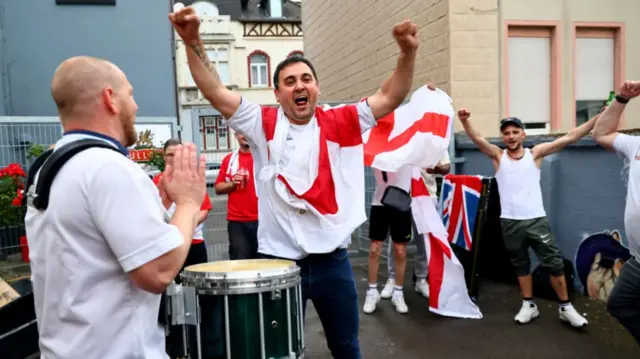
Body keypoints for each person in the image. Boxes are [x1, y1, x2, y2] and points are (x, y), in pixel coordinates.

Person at [170, 5, 418, 358]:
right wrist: (193, 41)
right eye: (289, 82)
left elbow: (392, 96)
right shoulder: (262, 123)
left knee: (347, 347)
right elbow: (215, 91)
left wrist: (408, 52)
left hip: (333, 261)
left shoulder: (342, 119)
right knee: (277, 352)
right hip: (280, 263)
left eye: (305, 79)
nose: (299, 86)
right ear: (278, 94)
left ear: (316, 87)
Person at [24, 56, 207, 358]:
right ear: (110, 98)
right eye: (130, 95)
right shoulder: (109, 167)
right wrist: (187, 203)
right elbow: (159, 271)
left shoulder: (48, 164)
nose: (135, 107)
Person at [458, 108, 596, 328]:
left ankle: (566, 307)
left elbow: (570, 137)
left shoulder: (535, 154)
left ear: (523, 135)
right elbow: (476, 138)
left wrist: (598, 117)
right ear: (503, 137)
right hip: (509, 222)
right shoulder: (497, 156)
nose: (510, 136)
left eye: (515, 131)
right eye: (506, 133)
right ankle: (528, 304)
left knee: (554, 263)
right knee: (520, 264)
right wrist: (465, 121)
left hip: (535, 220)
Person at [153, 138, 212, 358]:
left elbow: (205, 209)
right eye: (170, 155)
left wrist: (187, 223)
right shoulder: (157, 181)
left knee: (196, 297)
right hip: (167, 249)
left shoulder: (192, 179)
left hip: (194, 245)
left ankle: (198, 343)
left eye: (178, 155)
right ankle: (173, 345)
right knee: (169, 298)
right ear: (163, 155)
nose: (174, 159)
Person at [592, 80, 640, 343]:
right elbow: (600, 133)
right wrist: (622, 98)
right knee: (620, 304)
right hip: (638, 260)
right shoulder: (636, 145)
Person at [379, 152, 451, 301]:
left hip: (426, 195)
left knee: (424, 241)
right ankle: (392, 279)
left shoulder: (435, 139)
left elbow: (446, 167)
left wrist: (435, 167)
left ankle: (421, 279)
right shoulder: (403, 135)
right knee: (396, 240)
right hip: (401, 193)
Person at [364, 167, 414, 314]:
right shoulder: (377, 149)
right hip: (379, 202)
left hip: (400, 200)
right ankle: (372, 292)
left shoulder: (408, 146)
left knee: (400, 250)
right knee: (374, 248)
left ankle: (398, 292)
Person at [214, 132, 259, 259]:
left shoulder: (265, 158)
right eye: (241, 132)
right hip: (237, 222)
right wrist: (233, 184)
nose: (245, 135)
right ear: (235, 135)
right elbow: (218, 187)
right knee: (240, 266)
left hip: (264, 220)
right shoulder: (229, 160)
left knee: (265, 265)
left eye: (248, 131)